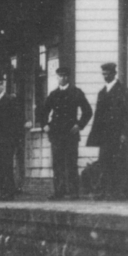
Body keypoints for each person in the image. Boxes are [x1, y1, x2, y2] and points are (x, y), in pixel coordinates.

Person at [38, 67, 93, 199]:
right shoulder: (53, 94)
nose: (61, 78)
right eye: (59, 76)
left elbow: (88, 111)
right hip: (56, 133)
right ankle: (59, 191)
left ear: (68, 77)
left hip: (70, 133)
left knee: (71, 162)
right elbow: (43, 112)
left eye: (64, 76)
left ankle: (74, 192)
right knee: (57, 163)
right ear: (57, 77)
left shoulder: (76, 92)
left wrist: (79, 125)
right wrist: (44, 124)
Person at [86, 62, 128, 200]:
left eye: (107, 74)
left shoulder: (123, 91)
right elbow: (98, 116)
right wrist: (96, 135)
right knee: (105, 163)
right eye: (103, 74)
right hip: (105, 136)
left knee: (119, 163)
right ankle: (106, 192)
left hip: (118, 135)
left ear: (114, 74)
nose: (105, 76)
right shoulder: (102, 93)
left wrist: (124, 133)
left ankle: (119, 193)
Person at [0, 74, 25, 201]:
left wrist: (14, 138)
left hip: (7, 139)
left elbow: (18, 120)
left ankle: (9, 191)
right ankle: (0, 190)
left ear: (3, 85)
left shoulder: (10, 101)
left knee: (6, 165)